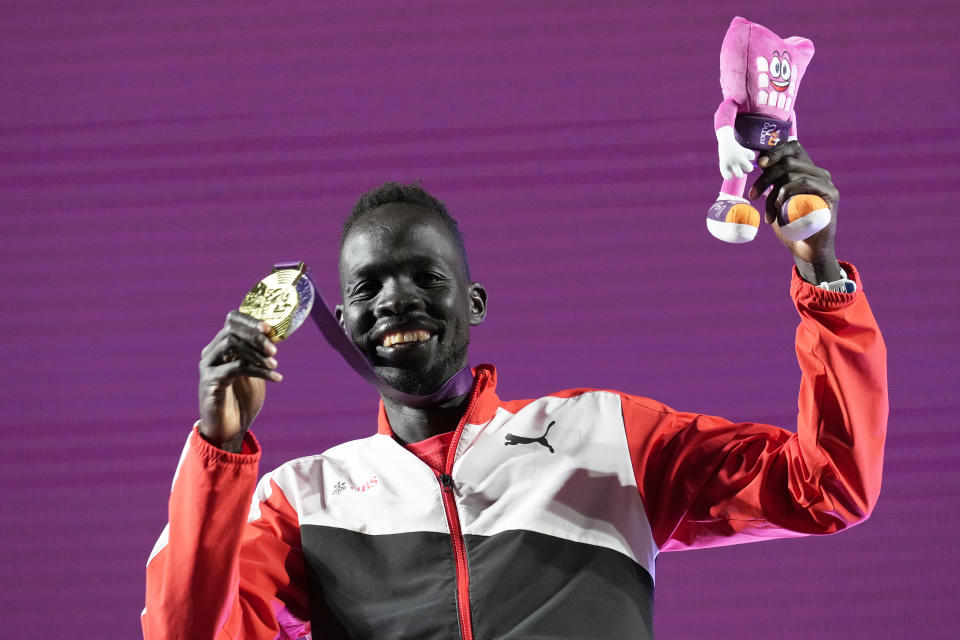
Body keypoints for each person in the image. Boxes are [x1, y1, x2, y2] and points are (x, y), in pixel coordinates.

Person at [142, 142, 887, 640]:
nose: (396, 300)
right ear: (343, 322)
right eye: (368, 287)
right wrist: (219, 449)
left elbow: (827, 485)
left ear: (475, 303)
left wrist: (822, 275)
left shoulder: (606, 436)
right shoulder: (301, 502)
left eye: (426, 276)